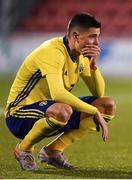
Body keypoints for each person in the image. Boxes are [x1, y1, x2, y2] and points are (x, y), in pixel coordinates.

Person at [5, 12, 116, 171]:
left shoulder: (81, 56)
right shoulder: (52, 51)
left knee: (107, 105)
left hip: (53, 112)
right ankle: (24, 149)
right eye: (92, 36)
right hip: (19, 115)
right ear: (76, 36)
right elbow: (58, 94)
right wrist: (93, 111)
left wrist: (93, 66)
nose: (97, 42)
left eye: (98, 37)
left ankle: (53, 151)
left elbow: (99, 93)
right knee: (63, 110)